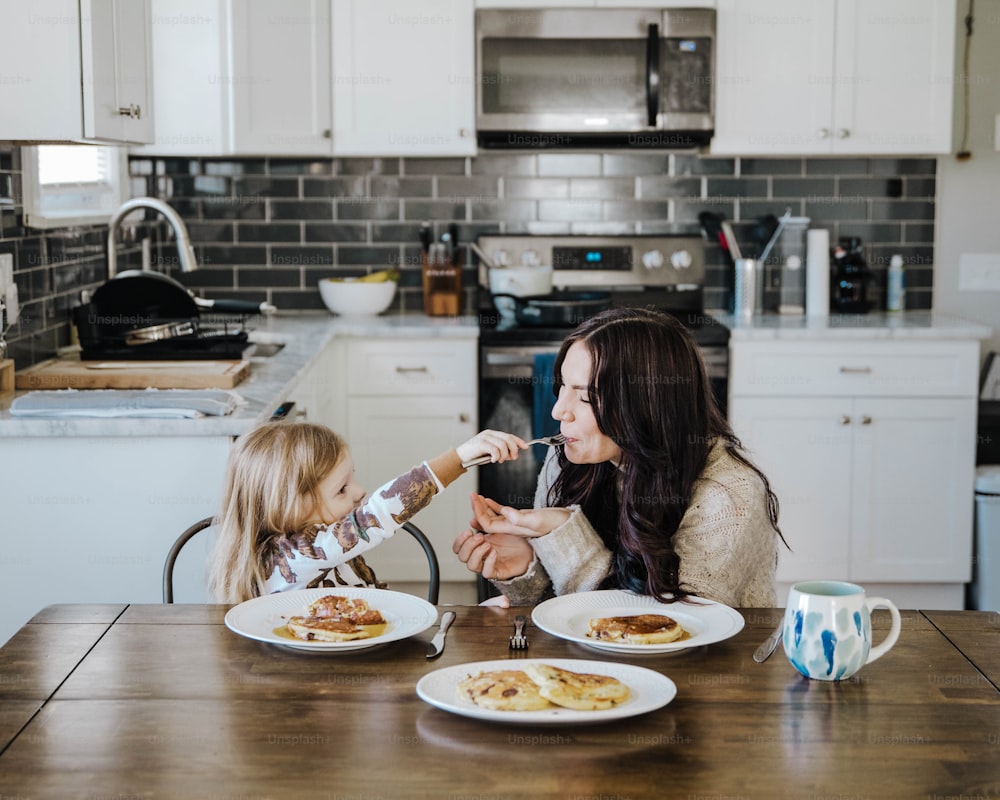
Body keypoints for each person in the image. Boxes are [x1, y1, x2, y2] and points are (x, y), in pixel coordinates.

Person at [453, 307, 786, 608]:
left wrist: (564, 532)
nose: (558, 410)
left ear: (645, 406)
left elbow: (669, 631)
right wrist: (524, 570)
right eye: (562, 387)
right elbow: (564, 608)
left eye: (584, 398)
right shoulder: (566, 462)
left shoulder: (729, 492)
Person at [208, 420, 527, 603]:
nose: (360, 492)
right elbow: (376, 516)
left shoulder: (324, 547)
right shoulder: (294, 555)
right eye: (342, 489)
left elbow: (376, 610)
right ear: (290, 505)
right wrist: (457, 459)